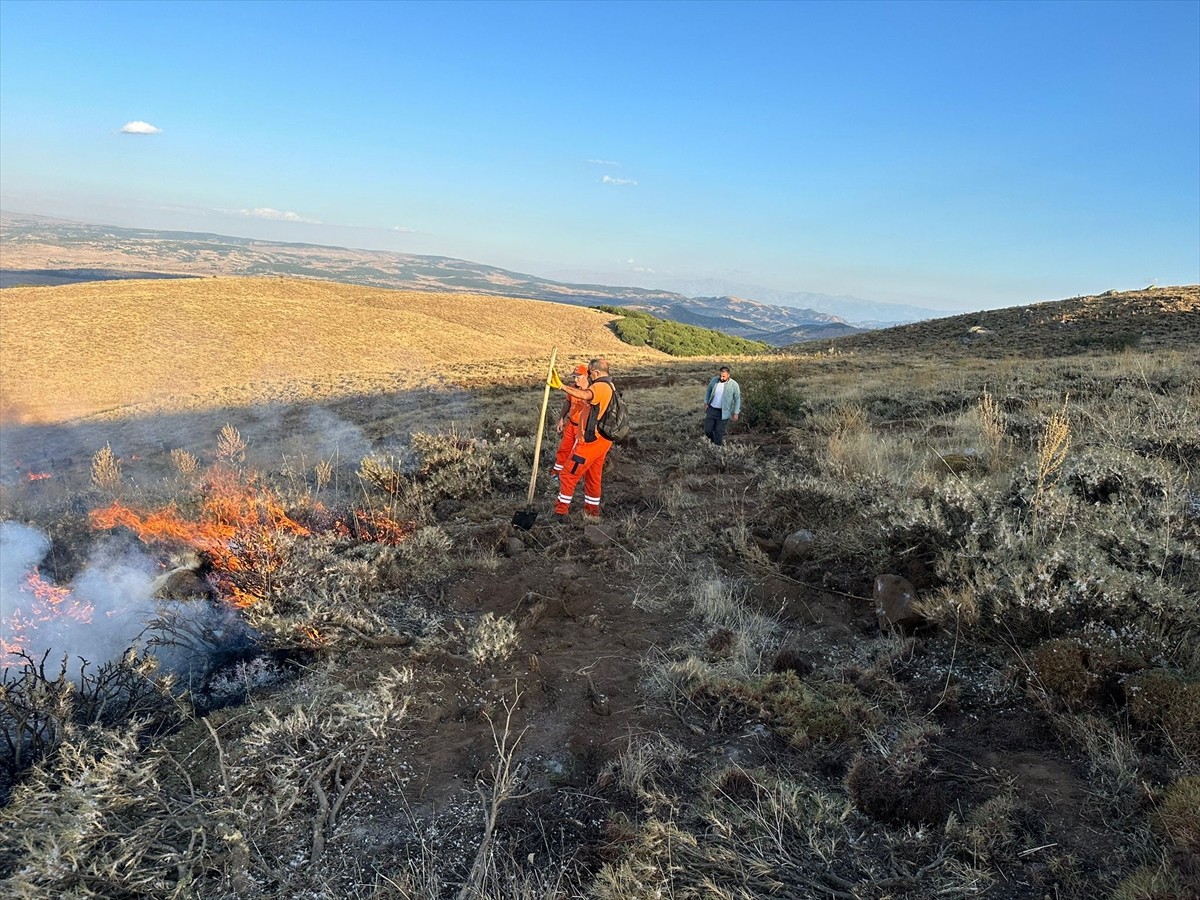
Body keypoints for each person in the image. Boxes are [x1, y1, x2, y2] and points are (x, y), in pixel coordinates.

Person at [552, 358, 615, 519]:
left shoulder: (600, 386)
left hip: (590, 442)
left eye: (590, 372)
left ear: (596, 372)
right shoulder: (610, 385)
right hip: (602, 439)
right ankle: (592, 512)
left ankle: (560, 512)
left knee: (568, 474)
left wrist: (561, 386)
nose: (589, 376)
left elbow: (586, 395)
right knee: (593, 477)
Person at [552, 364, 591, 481]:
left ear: (586, 376)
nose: (575, 379)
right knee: (564, 449)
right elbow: (567, 403)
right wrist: (561, 419)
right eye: (574, 377)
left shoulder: (591, 391)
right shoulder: (572, 387)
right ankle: (557, 472)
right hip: (571, 424)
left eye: (578, 377)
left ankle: (574, 476)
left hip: (583, 428)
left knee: (578, 454)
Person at [703, 365, 741, 445]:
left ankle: (718, 450)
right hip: (712, 410)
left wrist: (736, 412)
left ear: (728, 375)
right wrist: (706, 402)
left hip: (724, 412)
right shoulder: (714, 380)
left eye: (724, 376)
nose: (722, 378)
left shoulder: (734, 385)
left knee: (719, 432)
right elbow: (708, 391)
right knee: (708, 431)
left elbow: (737, 399)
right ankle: (713, 443)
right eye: (720, 376)